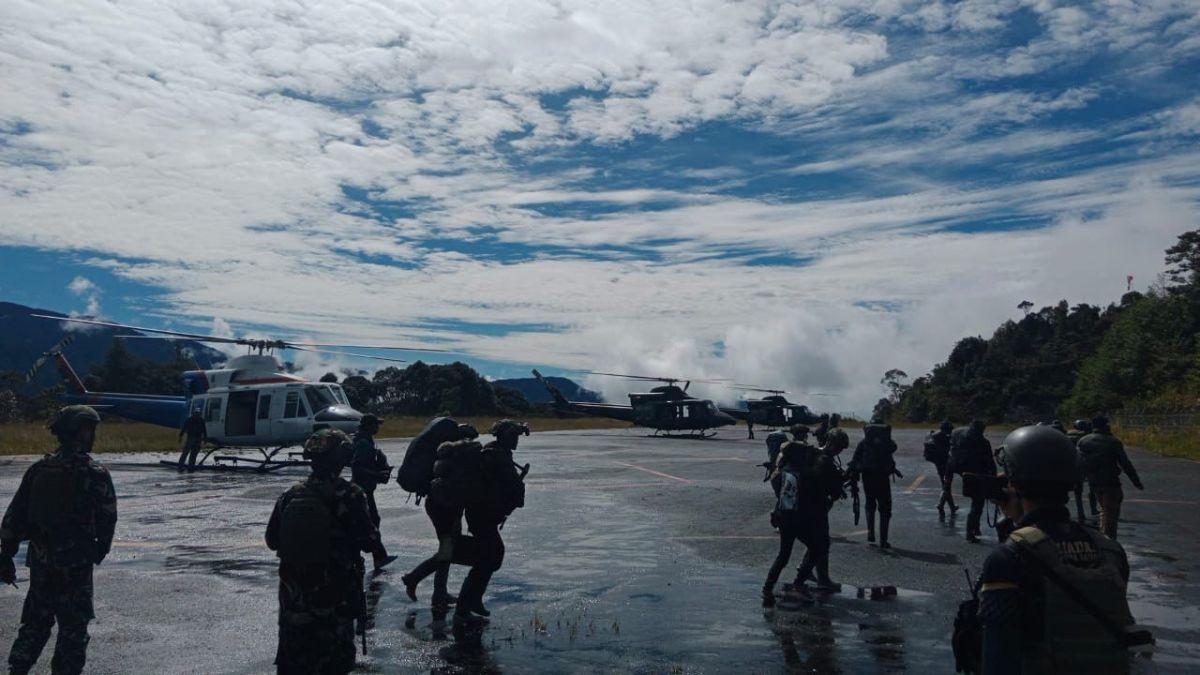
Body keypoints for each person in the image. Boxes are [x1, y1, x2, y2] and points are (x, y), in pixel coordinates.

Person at [975, 425, 1144, 674]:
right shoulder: (1109, 549)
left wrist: (1014, 527)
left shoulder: (1009, 558)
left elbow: (999, 655)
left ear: (1014, 482)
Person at [1, 405, 118, 675]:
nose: (93, 435)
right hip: (75, 562)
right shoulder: (94, 472)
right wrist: (100, 549)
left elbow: (14, 516)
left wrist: (6, 553)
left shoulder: (39, 469)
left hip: (42, 560)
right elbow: (107, 517)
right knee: (73, 628)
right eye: (91, 429)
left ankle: (18, 668)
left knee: (35, 622)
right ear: (81, 431)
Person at [265, 428, 383, 675]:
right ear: (342, 458)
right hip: (334, 598)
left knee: (294, 661)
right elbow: (370, 541)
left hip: (293, 600)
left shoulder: (290, 495)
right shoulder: (350, 494)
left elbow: (272, 540)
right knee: (333, 663)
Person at [454, 420, 529, 627]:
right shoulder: (496, 456)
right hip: (482, 514)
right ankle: (463, 607)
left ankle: (472, 601)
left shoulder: (497, 452)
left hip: (485, 513)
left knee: (491, 556)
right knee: (488, 558)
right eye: (513, 436)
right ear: (504, 437)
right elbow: (508, 483)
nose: (516, 440)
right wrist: (516, 491)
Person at [402, 423, 480, 607]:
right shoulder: (458, 456)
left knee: (448, 548)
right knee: (447, 549)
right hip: (446, 508)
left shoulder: (445, 453)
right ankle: (414, 578)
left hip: (440, 505)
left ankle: (439, 593)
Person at [762, 429, 842, 607]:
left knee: (783, 555)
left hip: (782, 516)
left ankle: (767, 588)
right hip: (796, 519)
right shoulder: (806, 473)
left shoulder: (785, 470)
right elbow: (821, 494)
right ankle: (798, 584)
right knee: (817, 547)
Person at [1078, 416, 1144, 540]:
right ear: (1106, 426)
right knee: (1111, 515)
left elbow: (1079, 462)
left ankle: (1104, 537)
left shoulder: (1083, 441)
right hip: (1110, 482)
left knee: (1104, 510)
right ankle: (1109, 541)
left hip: (1094, 482)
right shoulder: (1113, 442)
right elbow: (1125, 463)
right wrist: (1136, 481)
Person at [349, 414, 397, 571]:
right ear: (368, 425)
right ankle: (376, 556)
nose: (378, 428)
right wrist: (377, 475)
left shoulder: (364, 440)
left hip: (364, 488)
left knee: (370, 521)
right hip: (361, 489)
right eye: (376, 424)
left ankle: (378, 555)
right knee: (369, 522)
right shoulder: (363, 443)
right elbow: (357, 466)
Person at [849, 420, 897, 549]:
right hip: (882, 477)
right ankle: (883, 539)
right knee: (885, 508)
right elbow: (894, 447)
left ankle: (870, 532)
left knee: (870, 504)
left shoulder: (864, 443)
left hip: (867, 477)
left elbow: (855, 460)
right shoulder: (886, 443)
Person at [951, 419, 995, 543]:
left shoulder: (962, 441)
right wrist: (994, 478)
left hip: (968, 476)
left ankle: (974, 529)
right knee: (977, 505)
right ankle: (971, 532)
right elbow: (990, 462)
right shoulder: (984, 443)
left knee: (976, 505)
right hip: (980, 476)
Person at [924, 420, 957, 519]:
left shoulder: (934, 435)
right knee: (947, 485)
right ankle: (941, 505)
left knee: (946, 485)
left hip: (938, 463)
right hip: (945, 464)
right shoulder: (945, 437)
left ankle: (952, 507)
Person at [1067, 419, 1098, 522]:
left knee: (1078, 491)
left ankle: (1081, 513)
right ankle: (1093, 509)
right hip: (1089, 464)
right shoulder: (1090, 436)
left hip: (1077, 465)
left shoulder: (1068, 435)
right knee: (1092, 488)